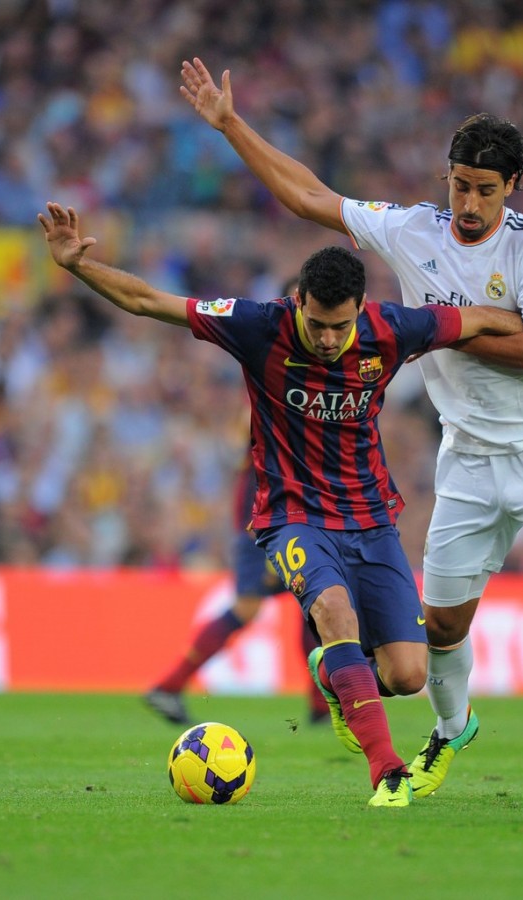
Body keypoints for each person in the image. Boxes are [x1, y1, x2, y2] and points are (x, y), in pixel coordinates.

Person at [177, 57, 523, 805]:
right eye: (459, 184)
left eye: (485, 189)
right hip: (466, 459)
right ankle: (449, 733)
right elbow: (308, 196)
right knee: (443, 630)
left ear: (511, 186)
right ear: (446, 178)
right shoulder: (411, 230)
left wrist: (438, 331)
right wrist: (231, 124)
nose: (469, 202)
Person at [38, 201, 523, 807]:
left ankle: (333, 674)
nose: (327, 339)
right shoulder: (258, 325)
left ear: (360, 310)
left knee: (407, 675)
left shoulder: (393, 329)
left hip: (371, 519)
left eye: (339, 327)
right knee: (333, 612)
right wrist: (77, 266)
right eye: (316, 323)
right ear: (298, 301)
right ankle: (387, 771)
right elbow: (148, 301)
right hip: (292, 515)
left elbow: (477, 319)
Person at [144, 278, 330, 727]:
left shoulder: (310, 374)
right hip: (265, 515)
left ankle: (320, 707)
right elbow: (244, 442)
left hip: (293, 511)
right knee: (261, 604)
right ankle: (168, 685)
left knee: (314, 603)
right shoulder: (272, 370)